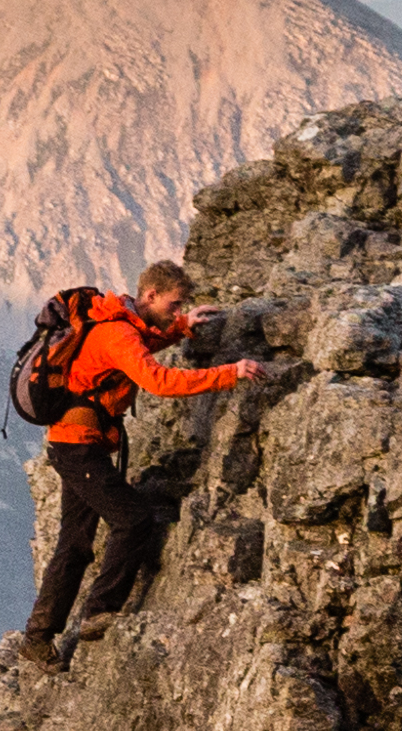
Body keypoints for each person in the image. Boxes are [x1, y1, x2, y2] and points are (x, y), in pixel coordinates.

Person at [14, 260, 246, 671]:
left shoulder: (120, 323)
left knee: (74, 543)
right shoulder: (119, 332)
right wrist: (231, 372)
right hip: (80, 449)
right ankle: (98, 612)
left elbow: (137, 352)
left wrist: (180, 327)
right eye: (175, 305)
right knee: (134, 518)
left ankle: (37, 638)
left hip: (78, 445)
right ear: (151, 295)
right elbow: (158, 381)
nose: (178, 310)